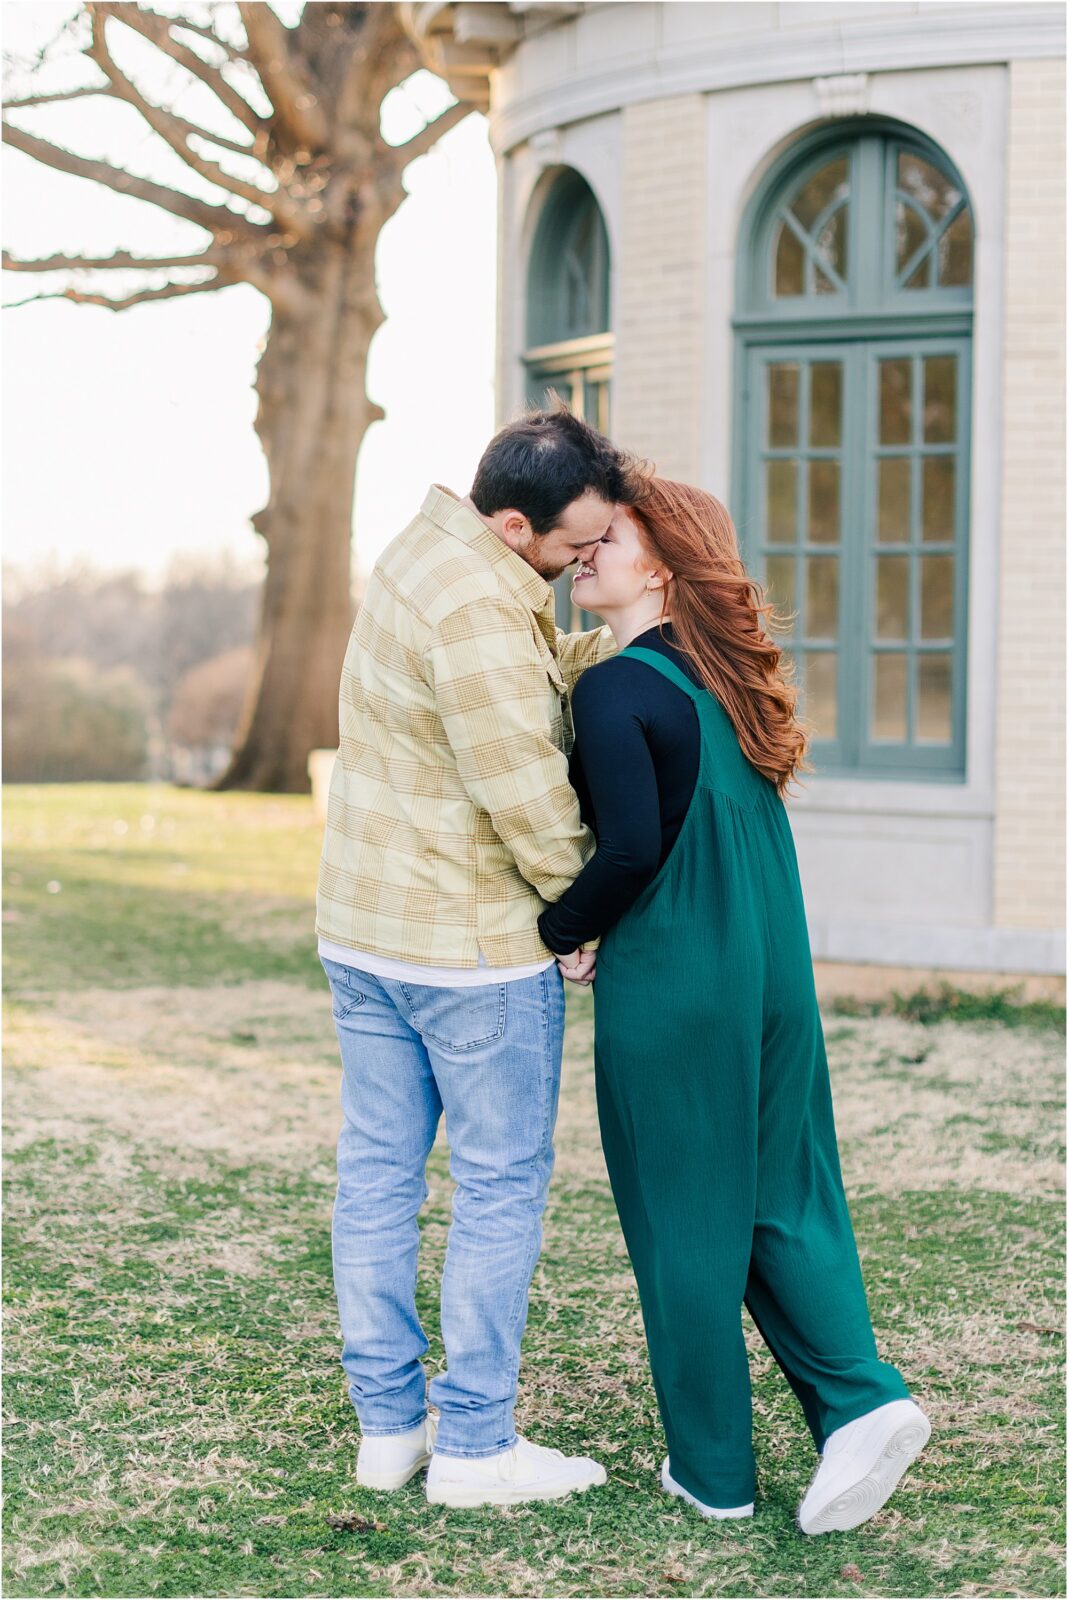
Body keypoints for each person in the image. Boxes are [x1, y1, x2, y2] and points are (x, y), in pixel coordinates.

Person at [536, 479, 931, 1533]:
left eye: (604, 536)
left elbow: (627, 850)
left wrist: (562, 926)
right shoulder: (732, 690)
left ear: (662, 561)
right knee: (781, 1196)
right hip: (771, 977)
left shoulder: (617, 689)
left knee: (682, 1223)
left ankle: (712, 1472)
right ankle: (861, 1399)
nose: (582, 551)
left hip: (675, 984)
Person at [315, 401, 649, 1508]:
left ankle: (388, 1429)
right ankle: (474, 1446)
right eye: (576, 543)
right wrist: (582, 911)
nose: (590, 556)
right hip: (466, 951)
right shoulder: (478, 607)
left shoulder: (430, 551)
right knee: (498, 1189)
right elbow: (528, 795)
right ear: (516, 525)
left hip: (363, 932)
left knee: (377, 1178)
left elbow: (505, 686)